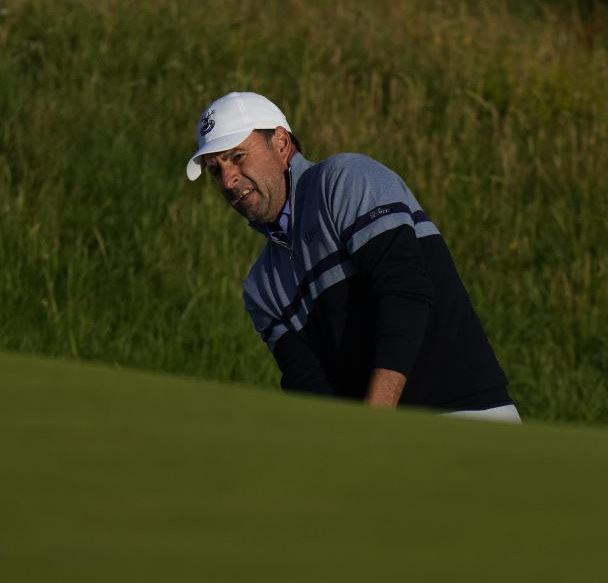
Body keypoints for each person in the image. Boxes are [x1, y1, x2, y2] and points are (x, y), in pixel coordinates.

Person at [185, 91, 520, 422]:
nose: (228, 180)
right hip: (384, 448)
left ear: (282, 143)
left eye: (238, 156)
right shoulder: (261, 288)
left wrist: (372, 424)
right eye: (216, 170)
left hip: (468, 412)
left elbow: (404, 294)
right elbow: (309, 384)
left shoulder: (345, 179)